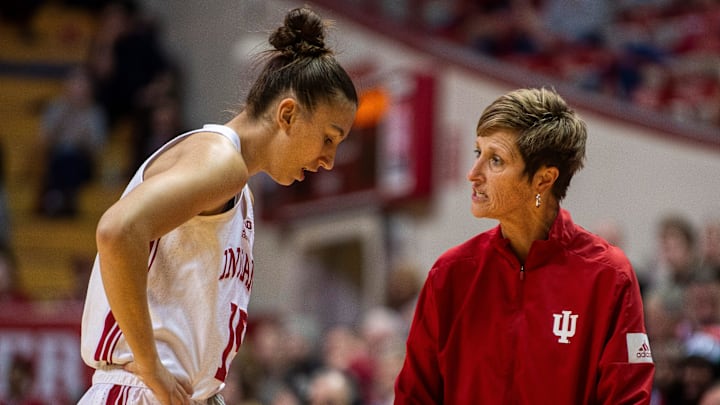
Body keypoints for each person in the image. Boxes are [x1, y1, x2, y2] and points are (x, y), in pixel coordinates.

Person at [77, 7, 358, 405]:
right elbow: (117, 231)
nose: (328, 160)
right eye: (329, 138)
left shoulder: (238, 186)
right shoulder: (219, 162)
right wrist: (151, 364)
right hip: (139, 392)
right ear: (288, 113)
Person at [394, 87, 654, 404]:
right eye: (479, 154)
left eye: (496, 160)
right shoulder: (449, 274)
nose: (473, 174)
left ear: (543, 180)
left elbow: (628, 399)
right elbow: (414, 397)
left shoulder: (609, 275)